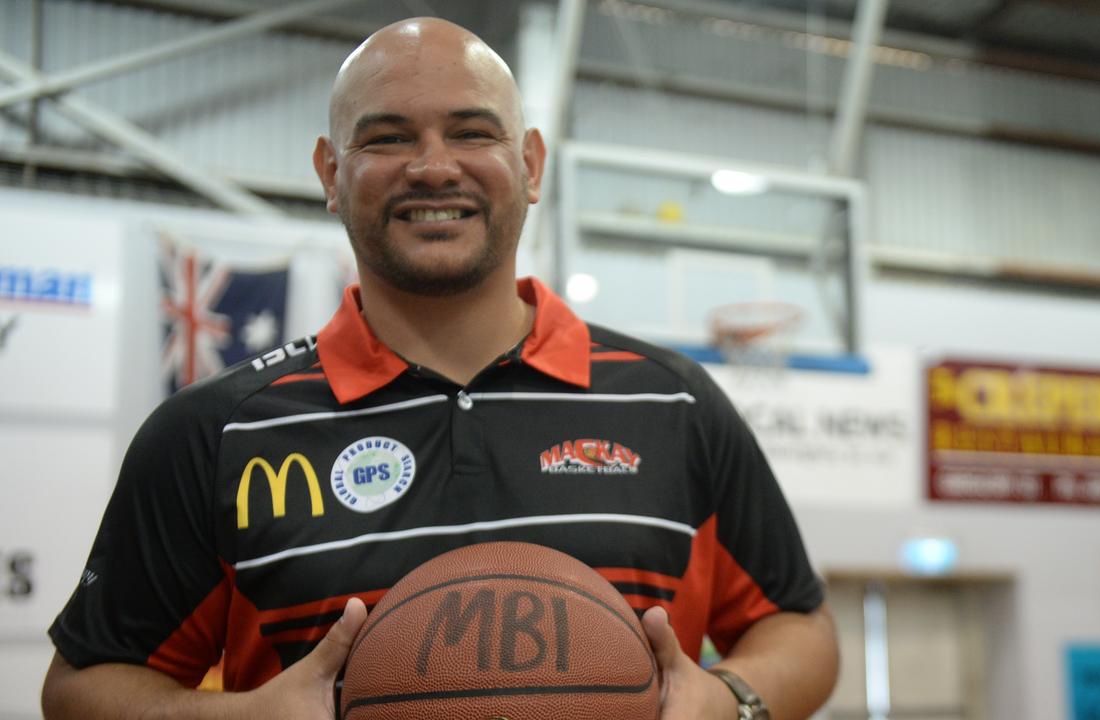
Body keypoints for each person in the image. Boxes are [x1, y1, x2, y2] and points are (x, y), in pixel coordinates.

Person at [42, 17, 838, 720]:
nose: (433, 167)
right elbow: (80, 687)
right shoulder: (215, 431)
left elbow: (800, 628)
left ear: (530, 164)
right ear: (330, 172)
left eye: (471, 132)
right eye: (387, 137)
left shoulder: (675, 403)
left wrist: (732, 702)